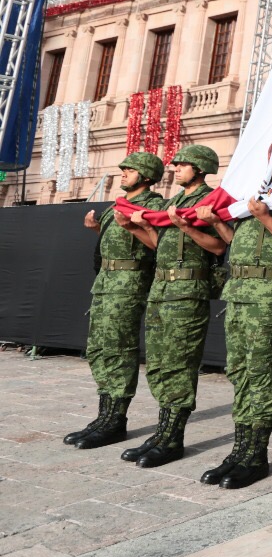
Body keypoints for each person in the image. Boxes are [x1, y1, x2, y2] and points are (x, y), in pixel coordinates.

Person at [193, 197, 272, 489]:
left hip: (268, 296)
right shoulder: (247, 204)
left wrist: (265, 217)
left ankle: (257, 455)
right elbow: (235, 241)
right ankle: (241, 449)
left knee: (260, 372)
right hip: (237, 294)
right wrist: (217, 224)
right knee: (239, 371)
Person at [117, 144, 222, 469]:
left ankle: (173, 438)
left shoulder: (208, 203)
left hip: (188, 291)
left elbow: (218, 247)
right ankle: (162, 432)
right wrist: (141, 228)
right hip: (162, 288)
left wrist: (187, 226)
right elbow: (160, 245)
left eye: (183, 164)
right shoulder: (173, 203)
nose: (175, 167)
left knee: (179, 363)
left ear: (200, 169)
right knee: (160, 362)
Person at [64, 152, 167, 450]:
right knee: (100, 348)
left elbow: (160, 247)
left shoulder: (155, 206)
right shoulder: (115, 206)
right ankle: (104, 415)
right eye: (123, 169)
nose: (123, 173)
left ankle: (115, 420)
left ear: (146, 176)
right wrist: (97, 228)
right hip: (106, 283)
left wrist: (134, 226)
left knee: (119, 349)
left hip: (129, 284)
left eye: (130, 170)